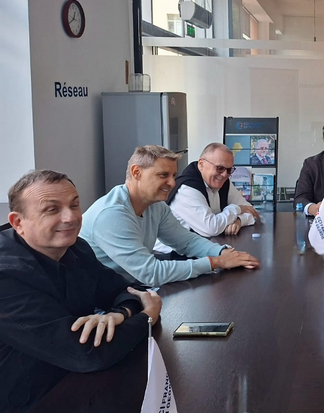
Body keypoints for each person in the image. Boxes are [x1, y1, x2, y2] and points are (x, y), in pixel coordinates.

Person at [0, 170, 162, 412]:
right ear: (18, 223)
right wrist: (146, 317)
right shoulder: (6, 277)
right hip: (27, 398)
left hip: (72, 379)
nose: (71, 218)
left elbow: (127, 290)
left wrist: (120, 314)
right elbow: (85, 353)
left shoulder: (77, 248)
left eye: (74, 205)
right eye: (52, 209)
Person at [81, 145, 260, 287]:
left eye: (173, 175)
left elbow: (186, 241)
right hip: (98, 307)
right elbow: (151, 273)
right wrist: (215, 262)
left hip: (127, 288)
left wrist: (224, 252)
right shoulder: (112, 214)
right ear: (136, 173)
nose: (173, 183)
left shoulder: (156, 206)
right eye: (163, 175)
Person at [168, 143, 260, 238]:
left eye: (229, 170)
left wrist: (239, 221)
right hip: (174, 247)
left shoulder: (223, 182)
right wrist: (236, 209)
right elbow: (211, 228)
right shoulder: (187, 189)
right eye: (219, 168)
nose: (224, 174)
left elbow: (252, 211)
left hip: (202, 243)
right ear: (201, 165)